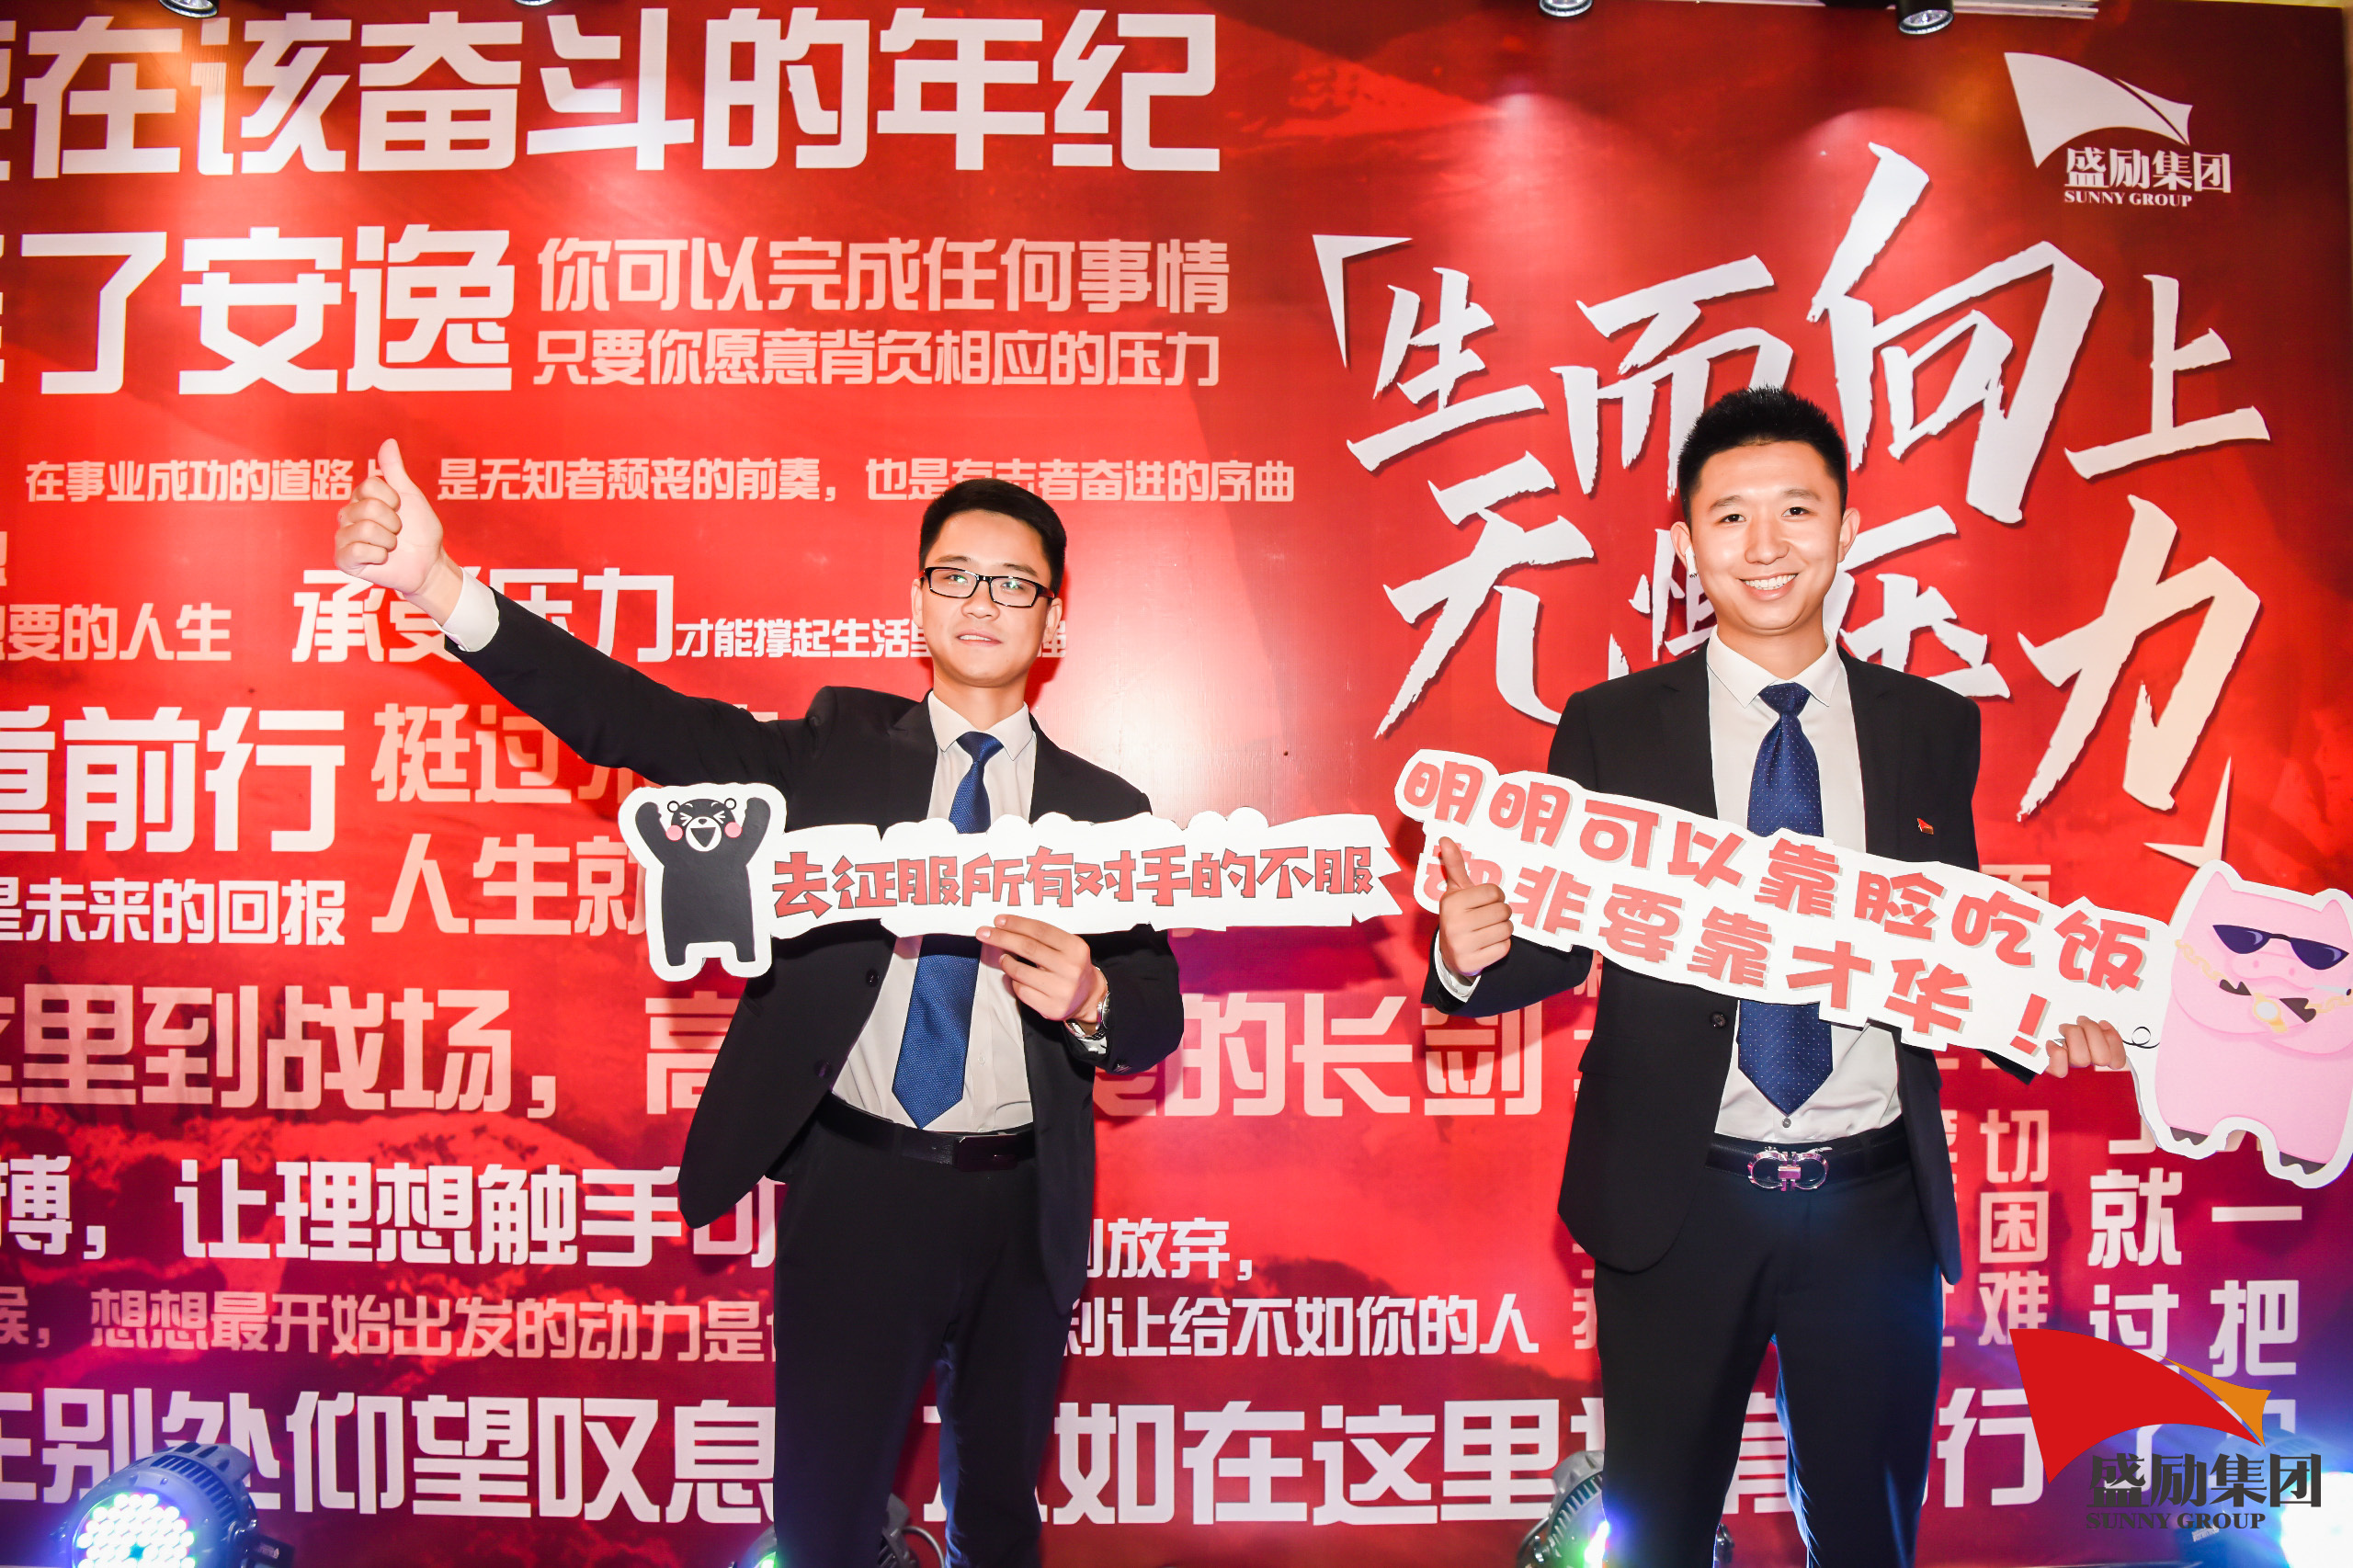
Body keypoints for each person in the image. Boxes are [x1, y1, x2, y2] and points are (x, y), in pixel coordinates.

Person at [333, 442, 1184, 1568]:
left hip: (1024, 1201)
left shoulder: (1104, 811)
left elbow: (1155, 1012)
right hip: (858, 1189)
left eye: (1013, 582)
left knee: (996, 1517)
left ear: (1054, 619)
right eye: (956, 575)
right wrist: (444, 588)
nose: (982, 601)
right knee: (825, 1520)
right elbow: (639, 723)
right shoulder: (832, 753)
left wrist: (1091, 997)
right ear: (917, 601)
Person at [1424, 388, 2122, 1568]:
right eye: (1729, 515)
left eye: (1796, 510)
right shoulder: (1611, 725)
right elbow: (1557, 936)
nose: (1764, 545)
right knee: (1657, 1533)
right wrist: (1468, 947)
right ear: (1684, 543)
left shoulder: (1929, 725)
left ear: (1846, 528)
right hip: (1678, 1201)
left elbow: (1954, 944)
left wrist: (2044, 1019)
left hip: (1873, 1206)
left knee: (1865, 1535)